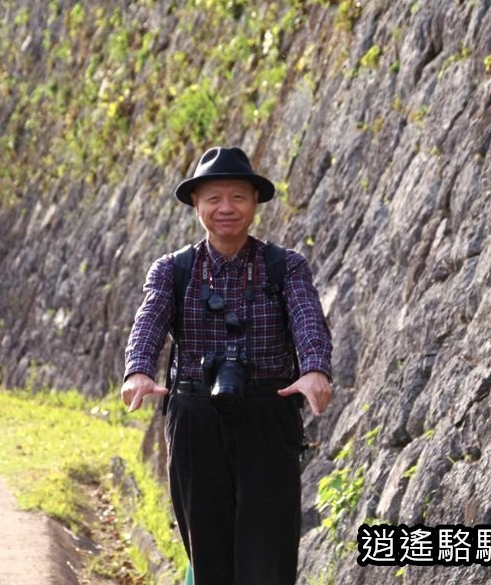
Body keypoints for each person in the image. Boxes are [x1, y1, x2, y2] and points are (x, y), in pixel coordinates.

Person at [121, 146, 333, 585]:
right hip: (196, 417)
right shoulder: (173, 270)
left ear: (255, 202)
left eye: (237, 197)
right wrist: (138, 369)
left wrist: (315, 368)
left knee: (268, 553)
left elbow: (307, 317)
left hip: (268, 413)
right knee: (208, 550)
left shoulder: (284, 266)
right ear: (196, 204)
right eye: (213, 198)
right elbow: (150, 319)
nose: (226, 208)